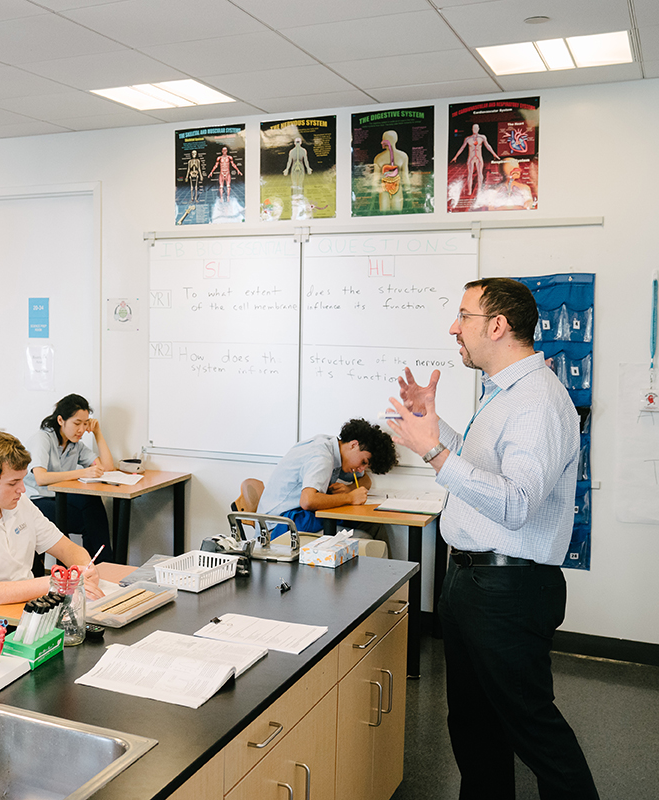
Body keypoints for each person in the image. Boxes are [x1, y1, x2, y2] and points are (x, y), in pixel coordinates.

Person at [387, 277, 598, 799]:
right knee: (475, 731)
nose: (453, 327)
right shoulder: (504, 394)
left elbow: (516, 504)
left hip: (508, 589)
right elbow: (487, 470)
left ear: (498, 325)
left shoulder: (538, 401)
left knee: (534, 733)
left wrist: (436, 455)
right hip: (472, 582)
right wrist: (435, 432)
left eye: (464, 316)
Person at [0, 430, 104, 635]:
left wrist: (84, 568)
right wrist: (53, 583)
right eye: (13, 483)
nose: (22, 489)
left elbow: (66, 548)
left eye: (22, 480)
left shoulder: (18, 503)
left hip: (29, 613)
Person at [256, 418, 398, 536]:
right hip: (278, 528)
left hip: (297, 518)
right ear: (354, 444)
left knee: (374, 526)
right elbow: (308, 501)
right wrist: (350, 497)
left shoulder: (335, 448)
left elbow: (365, 480)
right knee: (360, 538)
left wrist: (349, 488)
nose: (361, 469)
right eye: (363, 462)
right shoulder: (322, 456)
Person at [24, 394, 116, 562]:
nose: (81, 430)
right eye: (76, 423)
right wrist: (81, 472)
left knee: (92, 504)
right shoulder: (42, 438)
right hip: (35, 499)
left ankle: (102, 567)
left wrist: (97, 433)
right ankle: (90, 568)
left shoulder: (75, 445)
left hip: (59, 497)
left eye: (85, 423)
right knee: (91, 523)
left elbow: (107, 468)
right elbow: (41, 478)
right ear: (61, 420)